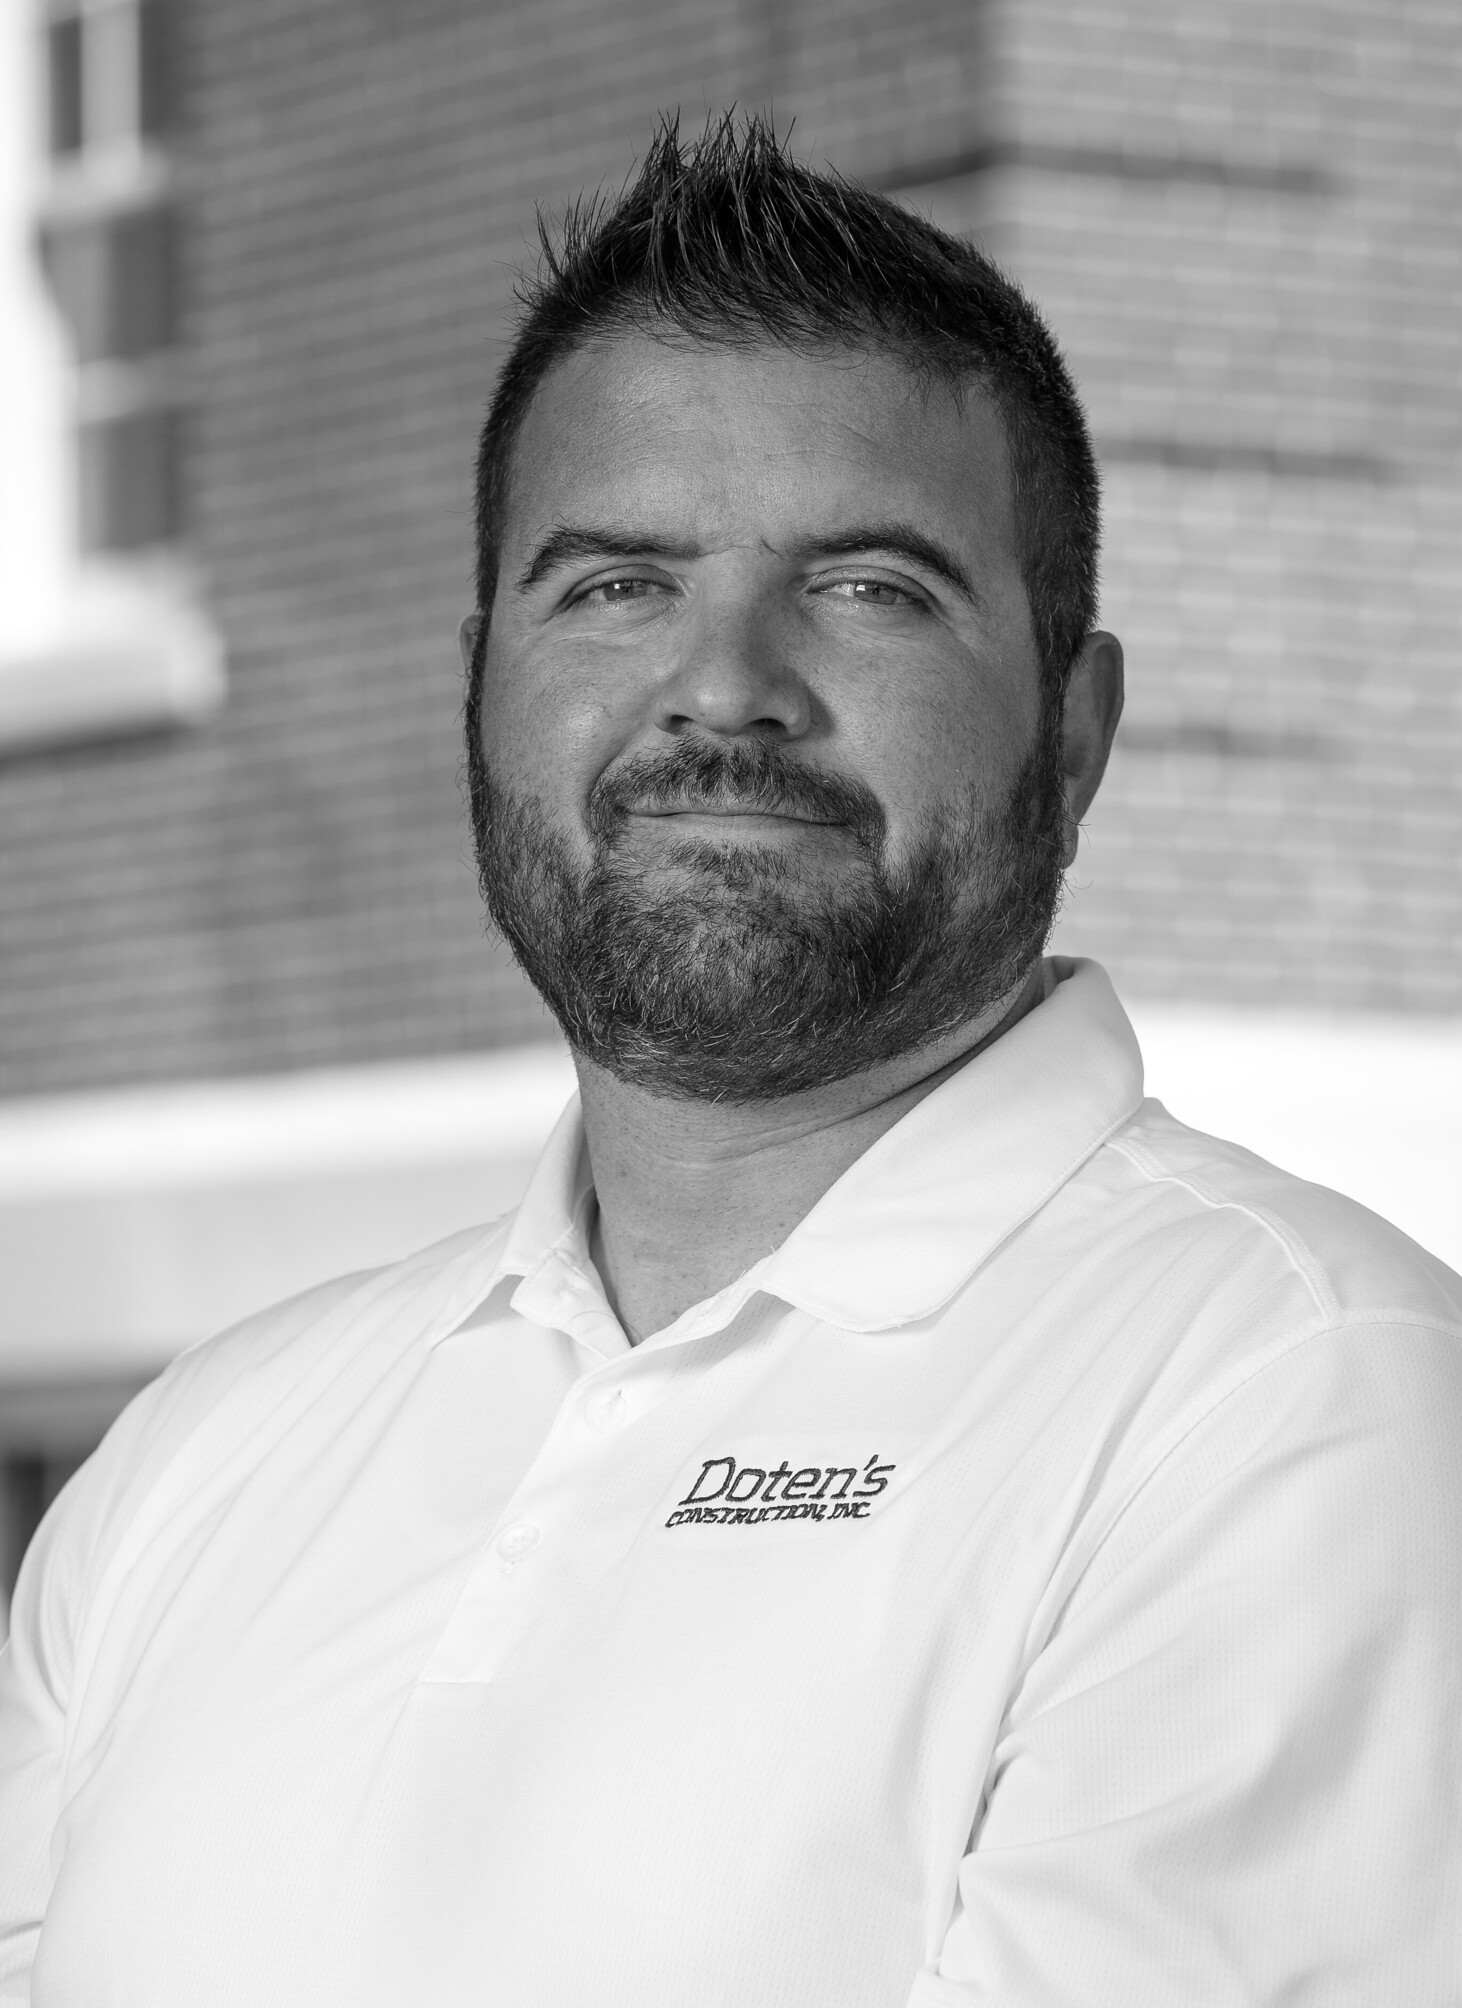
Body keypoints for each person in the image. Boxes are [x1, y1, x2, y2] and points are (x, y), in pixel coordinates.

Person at [2, 116, 1459, 2008]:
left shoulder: (1297, 1397)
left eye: (869, 587)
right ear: (477, 688)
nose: (721, 688)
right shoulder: (203, 1454)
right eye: (614, 584)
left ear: (1074, 732)